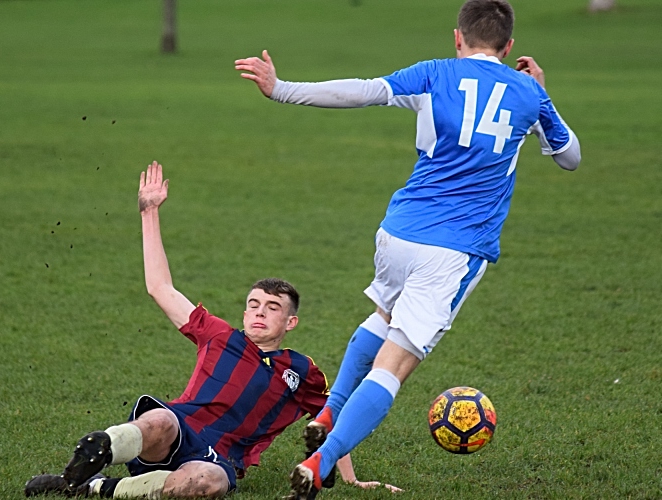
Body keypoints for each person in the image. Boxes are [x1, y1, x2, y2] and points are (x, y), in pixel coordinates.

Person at [235, 0, 582, 497]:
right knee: (393, 366)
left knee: (381, 319)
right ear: (508, 47)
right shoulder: (529, 92)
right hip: (455, 250)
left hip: (398, 232)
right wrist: (540, 94)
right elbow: (569, 156)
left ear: (457, 39)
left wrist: (282, 89)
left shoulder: (434, 73)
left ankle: (331, 411)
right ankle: (321, 461)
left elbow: (362, 91)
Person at [24, 162, 400, 498]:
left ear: (290, 323)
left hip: (220, 458)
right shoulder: (218, 335)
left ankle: (95, 488)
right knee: (158, 420)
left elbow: (331, 420)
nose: (259, 313)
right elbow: (160, 288)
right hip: (178, 430)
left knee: (205, 484)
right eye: (253, 304)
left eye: (272, 308)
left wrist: (345, 477)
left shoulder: (302, 372)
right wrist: (149, 211)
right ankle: (100, 448)